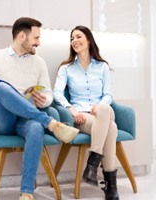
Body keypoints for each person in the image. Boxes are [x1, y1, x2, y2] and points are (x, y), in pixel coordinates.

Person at [0, 17, 79, 200]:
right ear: (22, 36)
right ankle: (51, 123)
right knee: (0, 87)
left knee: (36, 127)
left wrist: (43, 100)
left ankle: (27, 192)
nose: (39, 43)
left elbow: (48, 94)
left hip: (27, 118)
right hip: (3, 120)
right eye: (36, 38)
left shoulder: (39, 62)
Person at [53, 25, 119, 200]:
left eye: (78, 37)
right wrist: (71, 109)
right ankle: (111, 187)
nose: (74, 40)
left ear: (88, 40)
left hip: (102, 112)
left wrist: (99, 105)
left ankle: (92, 163)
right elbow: (57, 93)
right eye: (72, 38)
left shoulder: (102, 67)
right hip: (82, 116)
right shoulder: (66, 68)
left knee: (104, 109)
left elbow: (108, 94)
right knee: (111, 128)